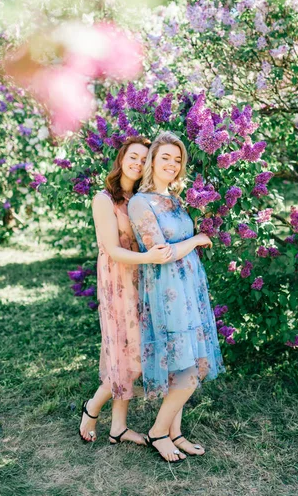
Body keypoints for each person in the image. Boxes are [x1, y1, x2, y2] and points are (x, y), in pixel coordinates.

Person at [128, 131, 225, 463]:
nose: (172, 164)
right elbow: (161, 253)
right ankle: (157, 432)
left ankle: (175, 432)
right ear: (152, 160)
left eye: (178, 159)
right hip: (166, 289)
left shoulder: (176, 199)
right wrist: (198, 239)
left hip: (188, 287)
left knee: (185, 361)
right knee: (190, 370)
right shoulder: (140, 202)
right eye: (165, 157)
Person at [79, 136, 173, 445]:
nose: (138, 162)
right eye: (133, 156)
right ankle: (92, 407)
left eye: (144, 159)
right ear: (122, 159)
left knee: (135, 352)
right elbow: (112, 250)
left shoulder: (141, 199)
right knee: (126, 355)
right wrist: (148, 257)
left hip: (144, 279)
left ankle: (117, 427)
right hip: (118, 281)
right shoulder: (103, 199)